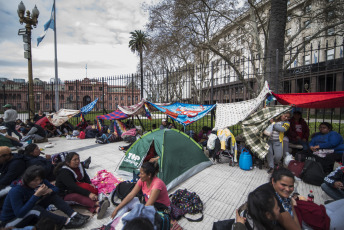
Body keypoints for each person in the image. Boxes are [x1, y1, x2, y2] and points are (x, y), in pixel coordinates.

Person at [0, 165, 89, 228]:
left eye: (40, 180)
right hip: (11, 221)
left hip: (28, 213)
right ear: (28, 179)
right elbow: (19, 213)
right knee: (35, 209)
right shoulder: (16, 190)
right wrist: (36, 195)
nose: (38, 183)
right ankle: (66, 222)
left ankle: (74, 215)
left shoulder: (40, 181)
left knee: (51, 195)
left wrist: (50, 190)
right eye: (35, 181)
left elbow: (56, 188)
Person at [54, 152, 110, 219]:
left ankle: (97, 209)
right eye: (74, 160)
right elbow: (73, 187)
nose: (77, 161)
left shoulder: (79, 166)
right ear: (68, 162)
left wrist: (89, 183)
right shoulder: (64, 172)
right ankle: (98, 203)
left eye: (78, 159)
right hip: (64, 195)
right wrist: (89, 194)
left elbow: (85, 176)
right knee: (77, 196)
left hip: (74, 189)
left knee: (84, 193)